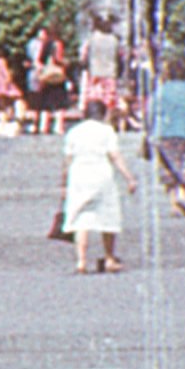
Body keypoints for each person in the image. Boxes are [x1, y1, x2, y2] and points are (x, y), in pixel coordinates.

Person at [59, 93, 133, 275]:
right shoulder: (106, 131)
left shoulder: (74, 132)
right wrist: (129, 177)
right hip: (101, 173)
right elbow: (114, 155)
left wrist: (63, 184)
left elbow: (68, 160)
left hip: (79, 174)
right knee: (107, 216)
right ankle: (109, 258)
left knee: (80, 218)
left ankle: (81, 262)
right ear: (103, 114)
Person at [146, 64, 185, 219]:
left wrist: (149, 132)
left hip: (164, 133)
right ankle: (182, 196)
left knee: (168, 169)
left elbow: (151, 111)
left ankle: (174, 203)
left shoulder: (160, 90)